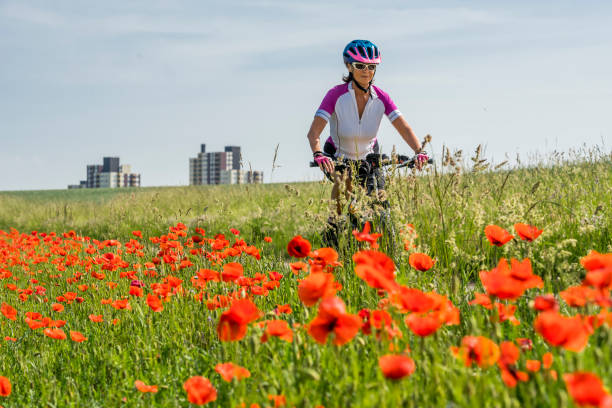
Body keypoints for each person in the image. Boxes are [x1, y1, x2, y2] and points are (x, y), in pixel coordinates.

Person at [307, 39, 428, 215]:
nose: (367, 71)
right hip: (338, 154)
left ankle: (381, 233)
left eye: (371, 66)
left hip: (369, 155)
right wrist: (318, 154)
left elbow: (404, 128)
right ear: (349, 66)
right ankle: (334, 229)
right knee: (344, 185)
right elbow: (313, 134)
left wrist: (420, 151)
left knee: (379, 199)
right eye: (360, 65)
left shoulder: (381, 97)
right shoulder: (335, 95)